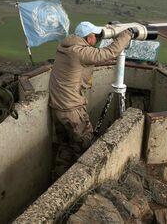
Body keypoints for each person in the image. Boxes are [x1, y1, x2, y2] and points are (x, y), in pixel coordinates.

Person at [48, 21, 133, 176]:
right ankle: (78, 183)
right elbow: (107, 53)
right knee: (86, 148)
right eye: (94, 36)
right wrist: (127, 34)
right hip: (72, 110)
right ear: (88, 38)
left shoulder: (64, 48)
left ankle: (58, 178)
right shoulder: (79, 53)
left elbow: (88, 53)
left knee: (66, 146)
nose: (96, 38)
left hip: (58, 108)